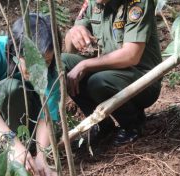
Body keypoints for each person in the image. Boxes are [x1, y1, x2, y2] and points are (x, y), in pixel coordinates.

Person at [0, 14, 60, 176]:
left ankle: (29, 150)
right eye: (33, 62)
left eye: (47, 62)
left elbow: (47, 114)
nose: (40, 69)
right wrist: (13, 143)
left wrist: (42, 157)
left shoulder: (53, 68)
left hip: (31, 120)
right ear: (15, 51)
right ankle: (16, 152)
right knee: (12, 87)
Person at [62, 0, 162, 146]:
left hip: (143, 80)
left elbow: (131, 56)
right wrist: (73, 33)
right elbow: (70, 48)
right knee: (63, 63)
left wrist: (85, 64)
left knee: (97, 82)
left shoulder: (138, 3)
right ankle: (102, 124)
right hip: (108, 72)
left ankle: (133, 124)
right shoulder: (93, 3)